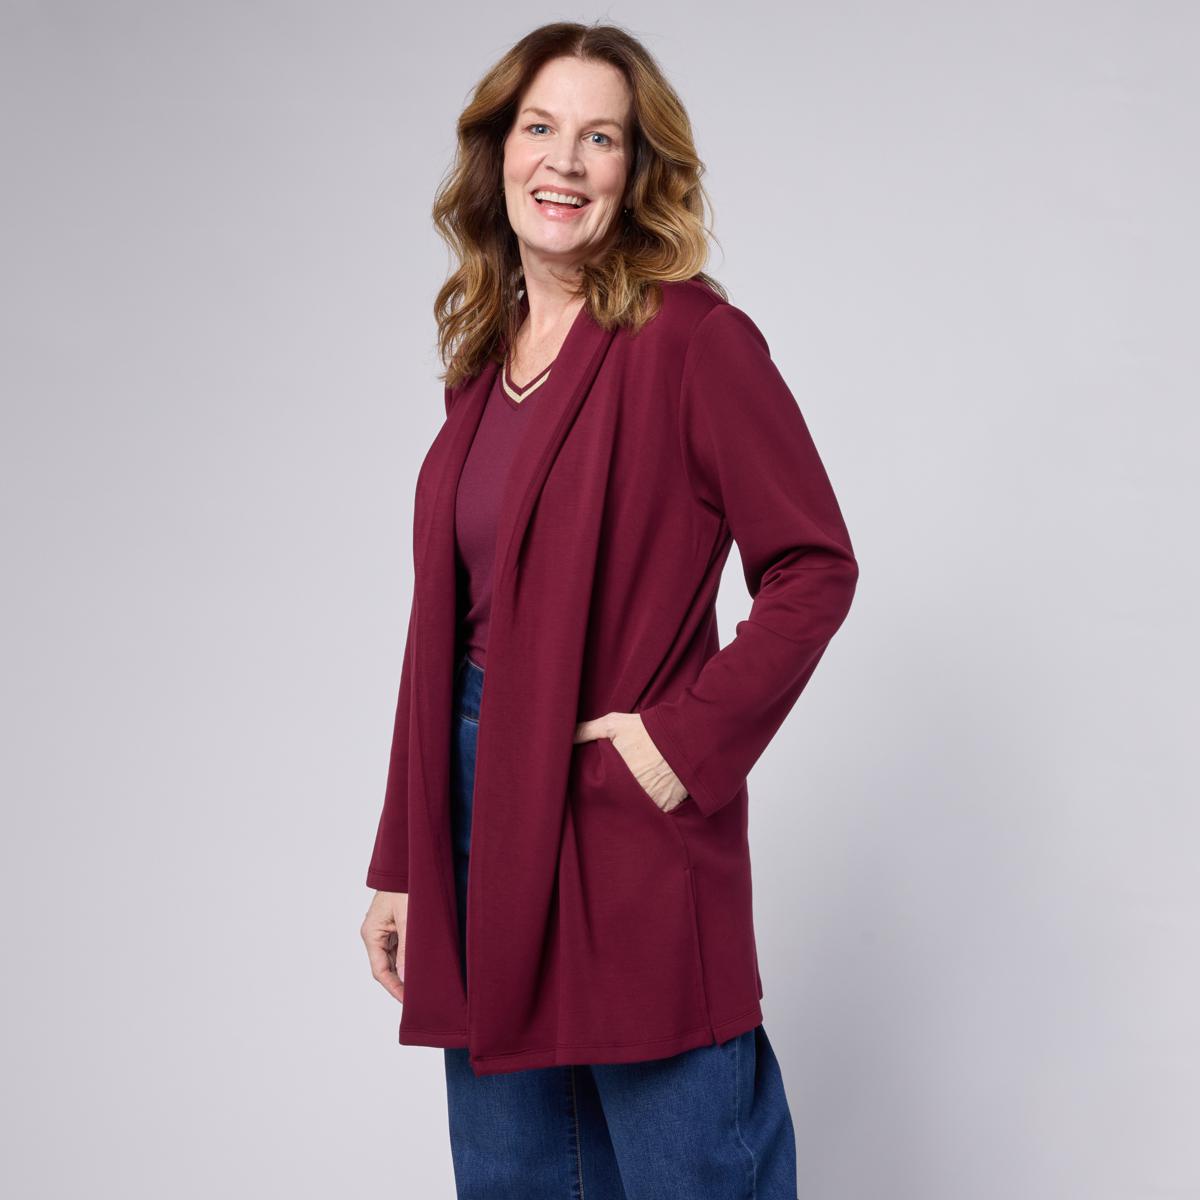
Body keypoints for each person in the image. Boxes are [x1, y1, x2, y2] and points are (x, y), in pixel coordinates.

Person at [360, 20, 859, 1200]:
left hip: (616, 812)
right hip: (476, 820)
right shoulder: (482, 365)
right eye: (541, 128)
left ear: (637, 171)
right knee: (518, 1175)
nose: (565, 161)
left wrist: (677, 746)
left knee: (692, 1171)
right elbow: (445, 631)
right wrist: (403, 858)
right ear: (499, 152)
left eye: (601, 138)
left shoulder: (692, 341)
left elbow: (813, 564)